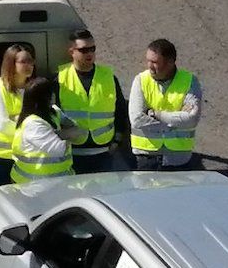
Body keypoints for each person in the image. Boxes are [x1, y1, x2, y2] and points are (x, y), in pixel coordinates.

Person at [129, 37, 204, 170]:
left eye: (154, 62)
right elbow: (136, 119)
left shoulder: (189, 81)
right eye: (148, 61)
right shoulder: (141, 80)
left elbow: (191, 119)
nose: (149, 66)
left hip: (179, 161)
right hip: (146, 158)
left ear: (170, 62)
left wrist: (156, 114)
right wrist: (175, 122)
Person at [57, 28, 120, 174]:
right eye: (84, 50)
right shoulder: (60, 78)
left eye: (93, 49)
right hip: (72, 153)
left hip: (104, 153)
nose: (90, 53)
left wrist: (117, 140)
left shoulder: (108, 76)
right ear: (72, 52)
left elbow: (120, 110)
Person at [0, 43, 35, 190]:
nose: (29, 65)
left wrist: (17, 119)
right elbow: (2, 125)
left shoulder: (34, 88)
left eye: (30, 61)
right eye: (23, 61)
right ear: (11, 64)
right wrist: (33, 128)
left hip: (25, 159)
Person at [10, 77, 75, 184]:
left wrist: (68, 132)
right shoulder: (33, 124)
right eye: (50, 93)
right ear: (42, 98)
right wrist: (67, 134)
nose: (53, 95)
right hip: (32, 184)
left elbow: (75, 126)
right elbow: (59, 149)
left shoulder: (53, 112)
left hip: (55, 181)